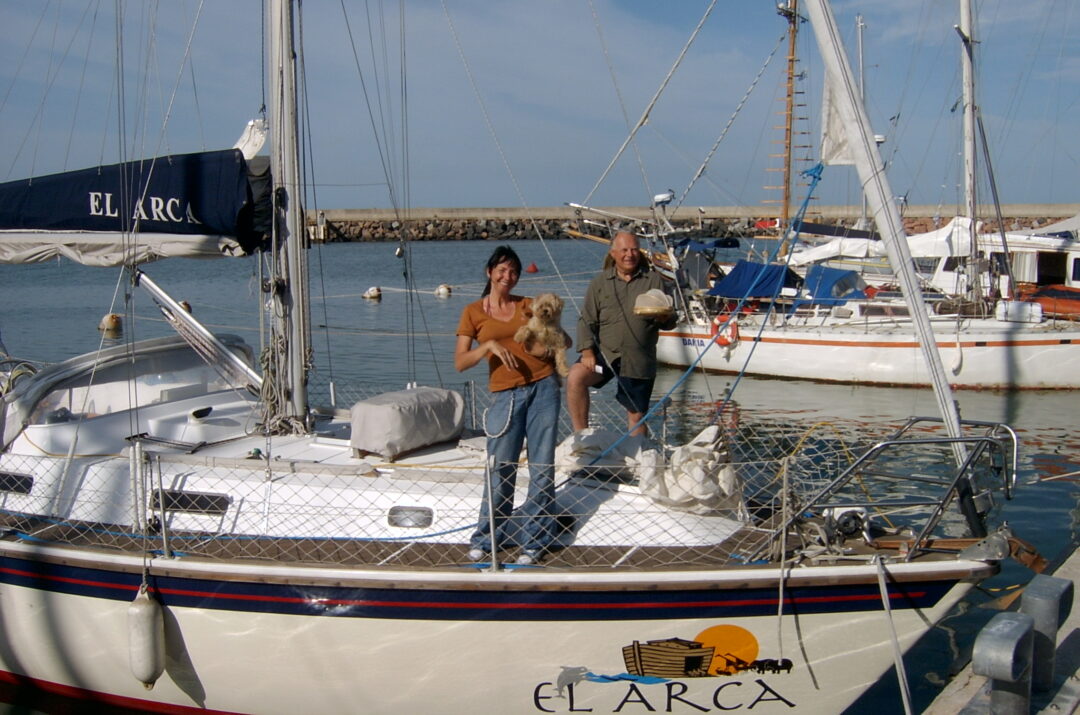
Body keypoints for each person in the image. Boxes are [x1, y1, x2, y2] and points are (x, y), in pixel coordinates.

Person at [455, 245, 569, 565]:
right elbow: (460, 362)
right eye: (502, 270)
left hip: (544, 388)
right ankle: (487, 538)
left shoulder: (528, 305)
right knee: (501, 469)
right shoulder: (473, 312)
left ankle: (535, 541)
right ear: (490, 272)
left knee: (542, 469)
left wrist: (547, 347)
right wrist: (488, 346)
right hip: (505, 395)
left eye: (514, 271)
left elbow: (561, 337)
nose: (508, 276)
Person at [566, 231, 675, 437]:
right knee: (575, 377)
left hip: (638, 358)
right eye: (624, 250)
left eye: (634, 250)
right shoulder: (600, 283)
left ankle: (638, 451)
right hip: (606, 354)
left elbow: (670, 320)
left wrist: (664, 318)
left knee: (636, 415)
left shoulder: (653, 281)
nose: (629, 255)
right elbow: (586, 320)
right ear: (613, 253)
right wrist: (587, 351)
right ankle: (581, 438)